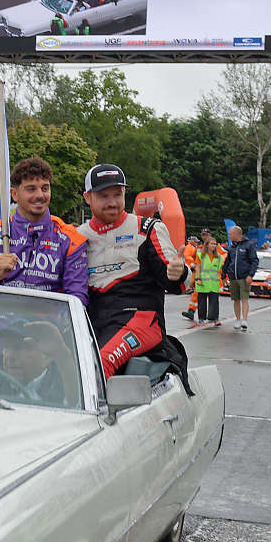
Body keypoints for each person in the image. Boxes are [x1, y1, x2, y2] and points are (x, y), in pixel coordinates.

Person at [78, 163, 191, 380]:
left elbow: (182, 285)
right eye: (103, 196)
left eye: (117, 194)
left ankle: (100, 414)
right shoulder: (76, 236)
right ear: (87, 197)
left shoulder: (147, 228)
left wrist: (179, 273)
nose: (112, 202)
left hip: (140, 320)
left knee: (99, 364)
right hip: (92, 321)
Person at [0, 157, 89, 303]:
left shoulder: (71, 239)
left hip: (49, 321)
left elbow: (77, 297)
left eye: (45, 188)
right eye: (31, 189)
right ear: (14, 194)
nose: (39, 195)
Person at [0, 321, 76, 405]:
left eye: (20, 347)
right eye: (6, 347)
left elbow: (76, 404)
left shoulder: (65, 385)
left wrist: (63, 356)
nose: (9, 356)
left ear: (46, 356)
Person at [225, 225, 260, 332]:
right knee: (235, 299)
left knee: (244, 298)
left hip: (244, 277)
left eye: (230, 234)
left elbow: (254, 261)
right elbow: (227, 262)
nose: (229, 236)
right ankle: (238, 320)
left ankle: (245, 320)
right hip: (233, 277)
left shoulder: (249, 245)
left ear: (237, 234)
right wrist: (223, 276)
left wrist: (250, 274)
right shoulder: (232, 247)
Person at [193, 232, 225, 326]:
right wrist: (198, 278)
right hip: (202, 282)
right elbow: (198, 267)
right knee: (202, 301)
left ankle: (215, 318)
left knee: (214, 301)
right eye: (211, 243)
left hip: (214, 283)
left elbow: (219, 270)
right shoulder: (200, 255)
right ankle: (201, 319)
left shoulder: (219, 257)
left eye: (215, 244)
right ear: (206, 245)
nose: (213, 245)